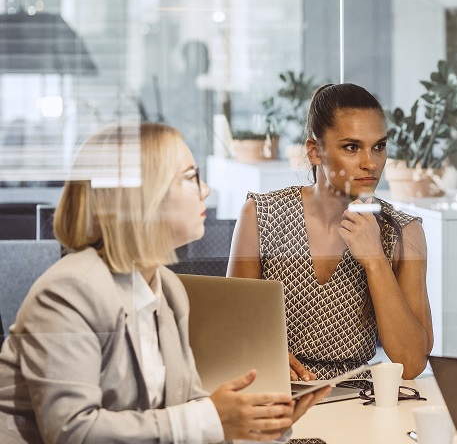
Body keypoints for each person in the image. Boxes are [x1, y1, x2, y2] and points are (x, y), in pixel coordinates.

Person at [0, 123, 329, 443]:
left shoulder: (166, 290)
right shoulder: (70, 290)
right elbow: (72, 433)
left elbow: (184, 412)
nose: (206, 190)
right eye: (189, 178)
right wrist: (212, 419)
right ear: (143, 197)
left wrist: (256, 426)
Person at [227, 83, 433, 381]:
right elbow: (233, 336)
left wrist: (375, 261)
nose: (370, 163)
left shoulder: (403, 231)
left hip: (359, 403)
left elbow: (412, 363)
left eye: (378, 146)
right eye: (352, 147)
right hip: (277, 394)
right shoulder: (260, 215)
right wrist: (263, 355)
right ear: (315, 151)